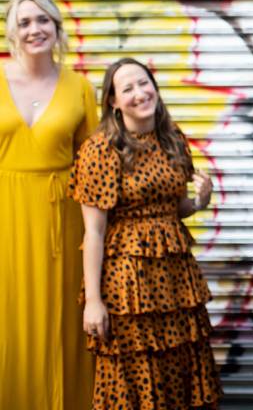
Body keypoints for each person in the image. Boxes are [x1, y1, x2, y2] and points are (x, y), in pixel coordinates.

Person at [72, 57, 222, 409]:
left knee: (179, 370)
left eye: (144, 83)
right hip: (128, 288)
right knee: (134, 377)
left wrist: (200, 201)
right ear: (112, 101)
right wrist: (94, 301)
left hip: (175, 283)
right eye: (127, 88)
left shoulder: (172, 140)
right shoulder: (100, 150)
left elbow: (174, 209)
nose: (140, 93)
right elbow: (93, 231)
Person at [0, 0, 96, 410]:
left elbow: (95, 168)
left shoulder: (80, 87)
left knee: (62, 329)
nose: (34, 29)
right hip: (6, 213)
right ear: (11, 32)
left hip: (63, 221)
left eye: (43, 20)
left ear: (57, 28)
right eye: (24, 22)